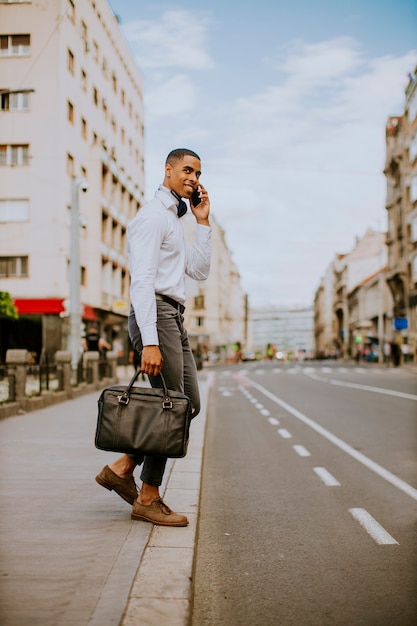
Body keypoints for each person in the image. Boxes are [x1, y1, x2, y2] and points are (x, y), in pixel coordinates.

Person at [95, 148, 211, 527]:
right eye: (187, 170)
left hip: (174, 317)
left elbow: (198, 270)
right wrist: (149, 341)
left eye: (197, 172)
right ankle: (148, 497)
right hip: (156, 315)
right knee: (171, 408)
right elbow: (142, 281)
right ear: (169, 170)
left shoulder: (176, 219)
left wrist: (203, 222)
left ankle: (123, 466)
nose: (193, 177)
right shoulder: (150, 217)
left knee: (187, 403)